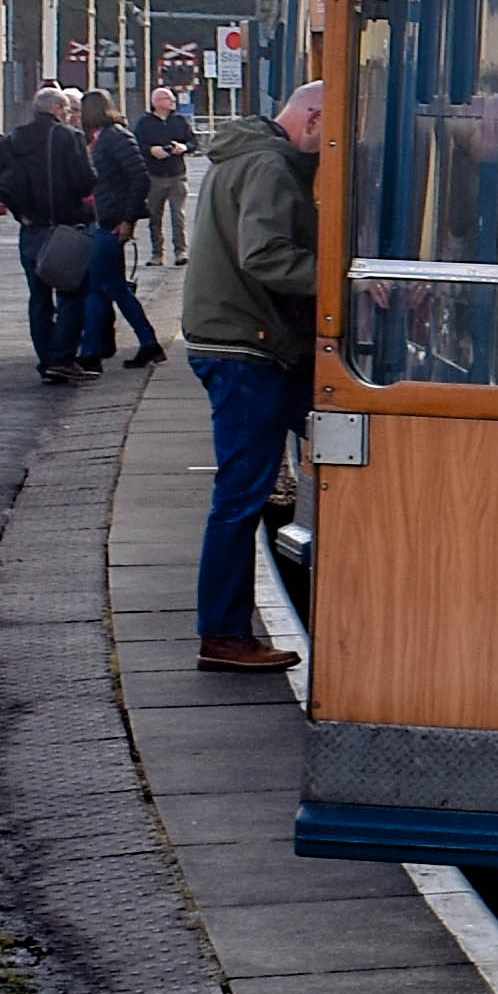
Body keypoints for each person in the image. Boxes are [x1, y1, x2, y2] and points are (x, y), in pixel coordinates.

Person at [182, 80, 325, 671]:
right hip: (249, 348)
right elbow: (264, 255)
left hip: (242, 343)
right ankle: (223, 634)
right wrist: (343, 281)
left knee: (255, 486)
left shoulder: (241, 155)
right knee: (241, 497)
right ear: (313, 121)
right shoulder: (269, 164)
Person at [0, 83, 102, 381]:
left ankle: (46, 359)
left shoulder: (16, 138)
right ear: (58, 110)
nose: (70, 115)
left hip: (31, 228)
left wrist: (16, 205)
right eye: (68, 110)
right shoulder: (69, 137)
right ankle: (62, 358)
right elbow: (84, 181)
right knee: (72, 293)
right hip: (64, 228)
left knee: (39, 298)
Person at [77, 93, 168, 372]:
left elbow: (139, 178)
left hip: (110, 222)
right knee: (110, 287)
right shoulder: (104, 138)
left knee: (101, 288)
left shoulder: (115, 137)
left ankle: (92, 352)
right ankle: (146, 343)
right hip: (105, 220)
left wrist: (128, 219)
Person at [135, 87, 199, 266]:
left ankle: (181, 251)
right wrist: (151, 150)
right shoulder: (144, 123)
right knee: (154, 215)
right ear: (156, 102)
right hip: (154, 175)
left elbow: (193, 142)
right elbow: (137, 145)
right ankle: (157, 254)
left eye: (172, 98)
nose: (173, 101)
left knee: (178, 215)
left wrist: (183, 147)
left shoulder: (179, 121)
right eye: (167, 98)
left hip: (177, 174)